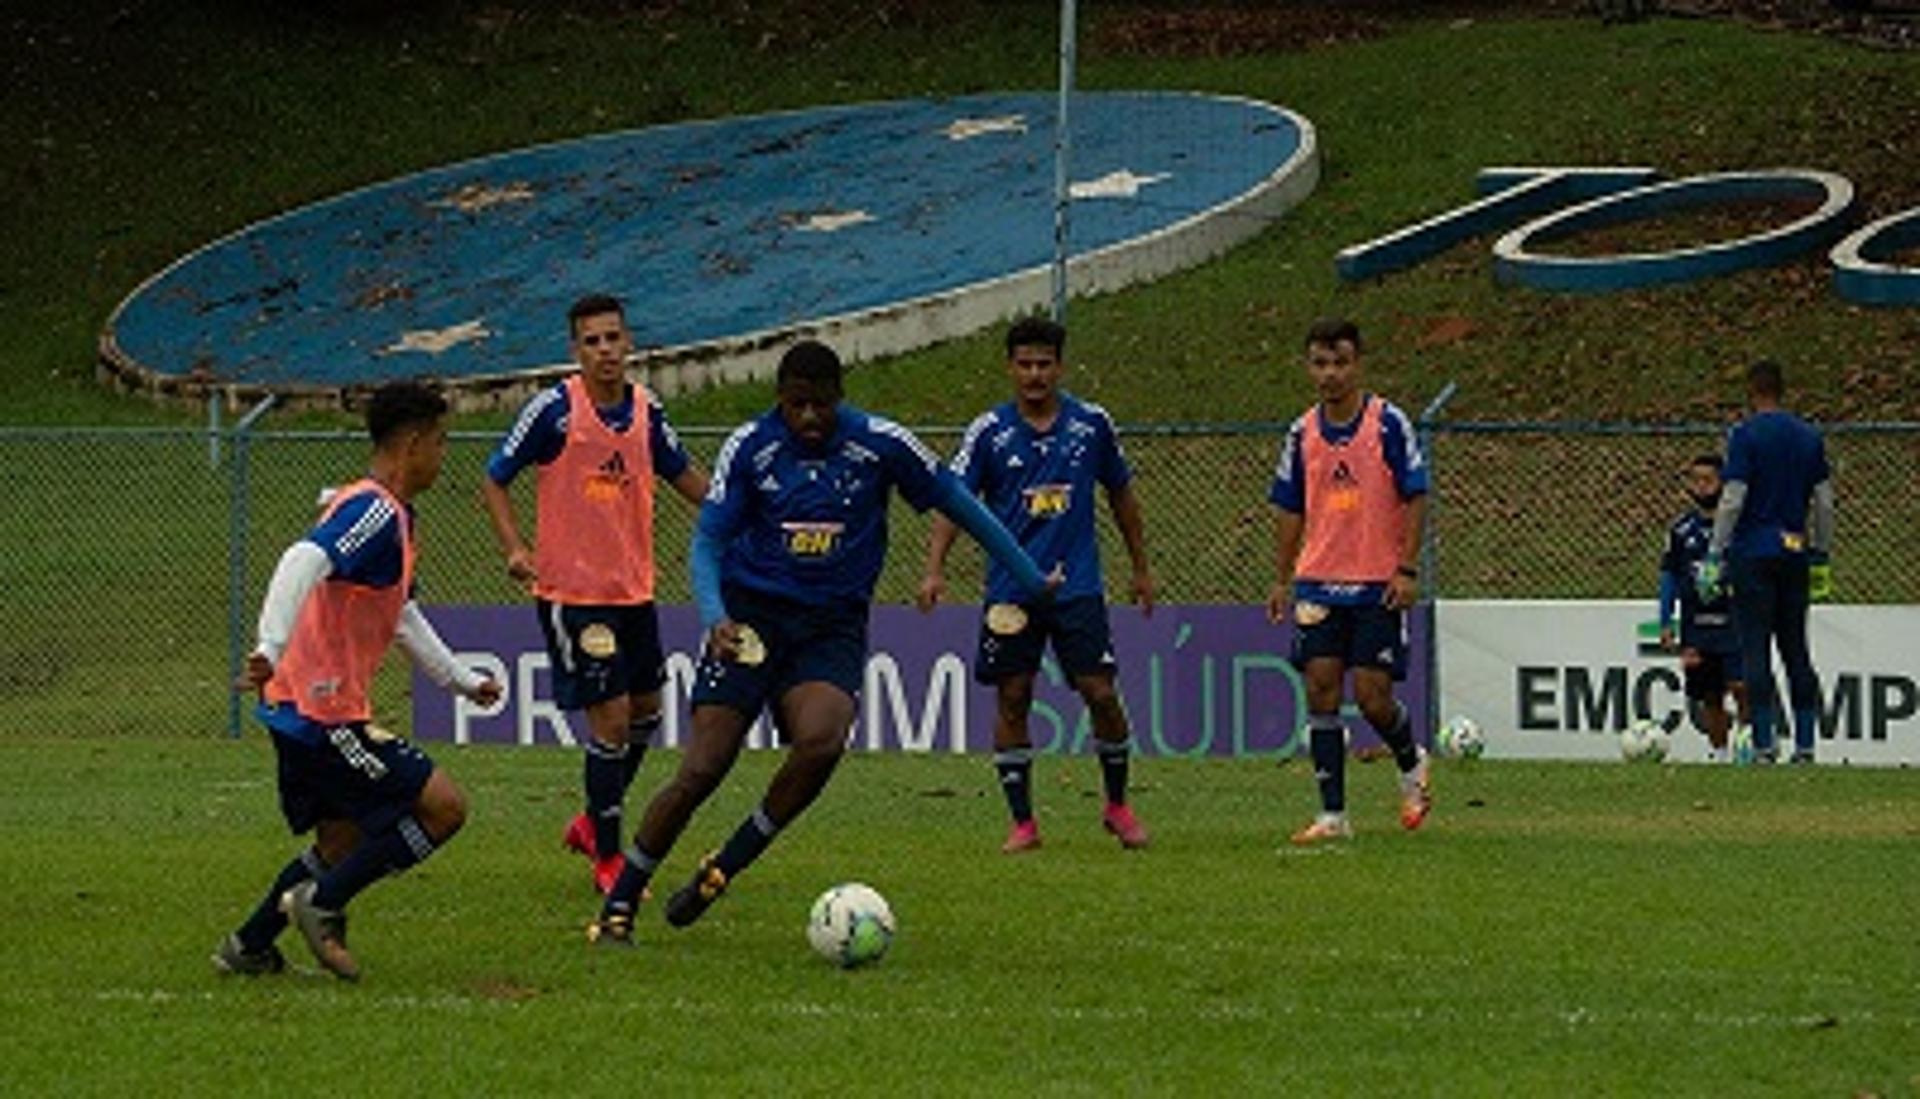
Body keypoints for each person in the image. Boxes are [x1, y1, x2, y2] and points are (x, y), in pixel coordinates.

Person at [589, 339, 1058, 945]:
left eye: (821, 405)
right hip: (751, 619)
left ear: (840, 399)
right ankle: (623, 897)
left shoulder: (880, 443)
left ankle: (723, 866)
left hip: (830, 626)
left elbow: (963, 505)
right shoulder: (752, 447)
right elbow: (708, 541)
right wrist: (715, 615)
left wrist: (1029, 578)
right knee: (704, 766)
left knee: (822, 740)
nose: (809, 418)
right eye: (796, 405)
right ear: (780, 401)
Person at [216, 381, 500, 982]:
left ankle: (249, 945)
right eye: (441, 442)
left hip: (297, 708)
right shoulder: (372, 510)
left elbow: (399, 613)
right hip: (323, 713)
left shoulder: (391, 517)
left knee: (340, 842)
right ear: (414, 443)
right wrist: (269, 644)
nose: (444, 456)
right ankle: (323, 904)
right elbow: (302, 559)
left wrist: (460, 680)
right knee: (444, 808)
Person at [481, 294, 708, 894]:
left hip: (633, 590)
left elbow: (683, 476)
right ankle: (608, 858)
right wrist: (514, 547)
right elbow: (495, 476)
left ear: (629, 342)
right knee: (608, 722)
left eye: (613, 338)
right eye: (593, 341)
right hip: (574, 595)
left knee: (646, 717)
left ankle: (590, 820)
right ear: (576, 350)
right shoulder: (555, 411)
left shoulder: (646, 411)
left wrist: (737, 512)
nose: (606, 350)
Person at [916, 317, 1153, 853]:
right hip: (1010, 591)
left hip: (1078, 589)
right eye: (1024, 364)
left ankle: (1118, 805)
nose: (1035, 374)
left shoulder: (1091, 425)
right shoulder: (988, 433)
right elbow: (953, 503)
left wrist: (1141, 567)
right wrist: (934, 568)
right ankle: (1023, 822)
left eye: (1044, 363)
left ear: (1060, 367)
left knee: (1100, 692)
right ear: (1010, 367)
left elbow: (1122, 496)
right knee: (1013, 696)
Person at [1264, 318, 1431, 845]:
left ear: (1358, 364)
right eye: (1320, 363)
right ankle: (1333, 815)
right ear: (1308, 366)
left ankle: (1411, 760)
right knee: (1321, 689)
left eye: (1340, 362)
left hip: (1376, 582)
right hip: (1317, 580)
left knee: (1374, 697)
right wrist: (1282, 578)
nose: (1330, 373)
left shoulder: (1387, 423)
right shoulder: (1302, 433)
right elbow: (1290, 508)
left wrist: (1406, 567)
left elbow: (1416, 495)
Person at [1704, 360, 1834, 764]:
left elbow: (1733, 498)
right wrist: (1821, 553)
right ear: (1783, 390)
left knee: (1756, 648)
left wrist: (1714, 550)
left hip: (1752, 552)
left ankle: (1764, 743)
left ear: (1751, 391)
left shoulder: (1745, 436)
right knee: (1796, 647)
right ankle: (1806, 744)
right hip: (1794, 549)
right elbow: (1825, 502)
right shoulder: (1809, 436)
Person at [1658, 454, 1751, 762]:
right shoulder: (1680, 530)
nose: (1701, 486)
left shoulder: (1741, 526)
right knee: (1710, 695)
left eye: (1708, 479)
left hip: (1735, 619)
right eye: (1695, 479)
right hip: (1696, 624)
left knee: (1742, 686)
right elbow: (1669, 575)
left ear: (1723, 484)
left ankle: (1751, 745)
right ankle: (1719, 753)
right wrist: (1665, 619)